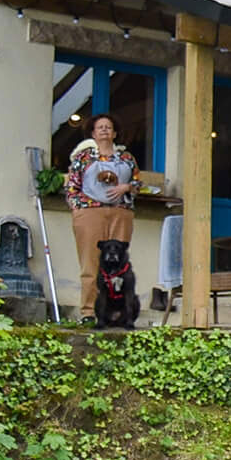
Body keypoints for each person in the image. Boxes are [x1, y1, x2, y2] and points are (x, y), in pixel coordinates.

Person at [67, 115, 137, 324]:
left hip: (120, 213)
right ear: (93, 133)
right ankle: (89, 312)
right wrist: (79, 210)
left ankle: (120, 314)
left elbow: (138, 183)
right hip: (90, 213)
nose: (105, 130)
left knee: (120, 265)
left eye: (109, 127)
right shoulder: (83, 157)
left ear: (115, 133)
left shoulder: (126, 158)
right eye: (100, 128)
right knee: (91, 263)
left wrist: (127, 187)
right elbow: (72, 186)